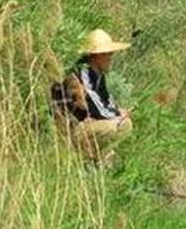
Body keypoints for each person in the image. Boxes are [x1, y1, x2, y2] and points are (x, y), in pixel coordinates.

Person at [55, 29, 133, 161]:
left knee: (125, 124)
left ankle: (96, 157)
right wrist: (116, 116)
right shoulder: (82, 72)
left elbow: (106, 100)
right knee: (117, 125)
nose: (111, 58)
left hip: (88, 123)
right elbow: (94, 104)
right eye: (108, 54)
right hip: (73, 128)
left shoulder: (98, 74)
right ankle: (88, 157)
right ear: (97, 56)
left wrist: (117, 111)